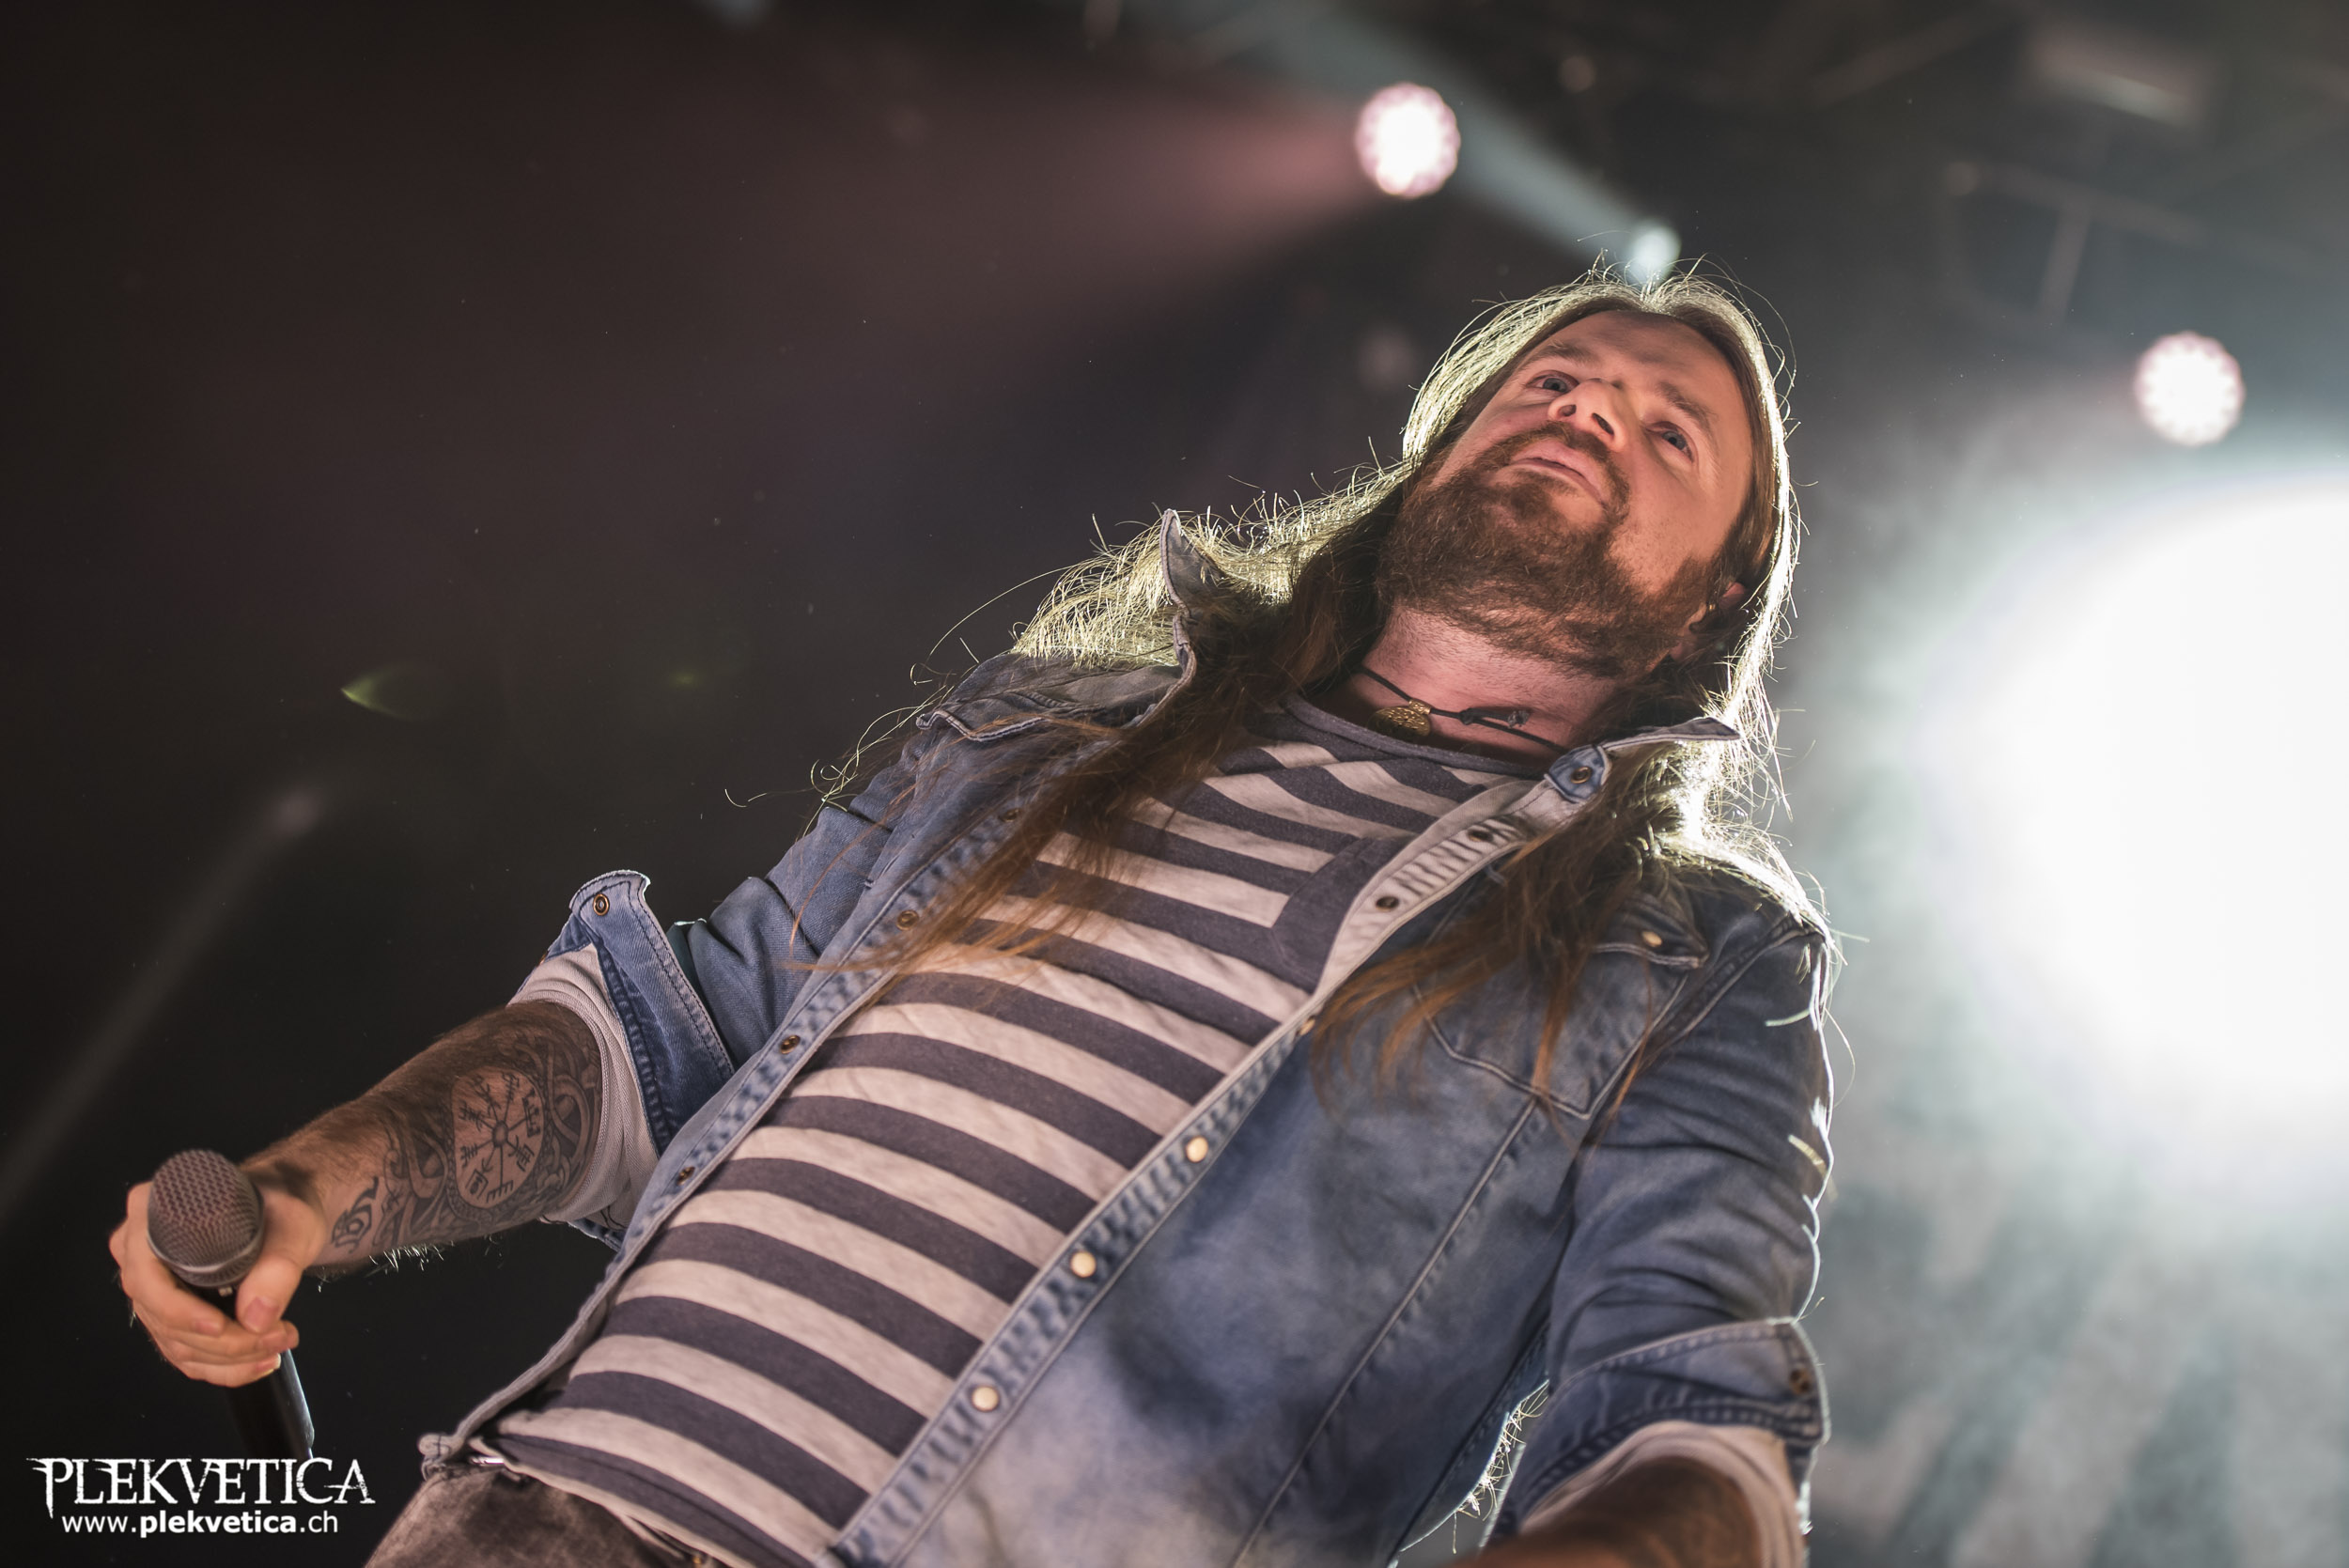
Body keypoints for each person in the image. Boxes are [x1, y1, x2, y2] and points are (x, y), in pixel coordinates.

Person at [112, 268, 1834, 1568]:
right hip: (529, 1522)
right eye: (1553, 381)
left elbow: (1696, 1423)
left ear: (1719, 597)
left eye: (1666, 429)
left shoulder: (1696, 960)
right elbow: (666, 1048)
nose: (1588, 414)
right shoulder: (1051, 725)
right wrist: (322, 1182)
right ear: (1439, 450)